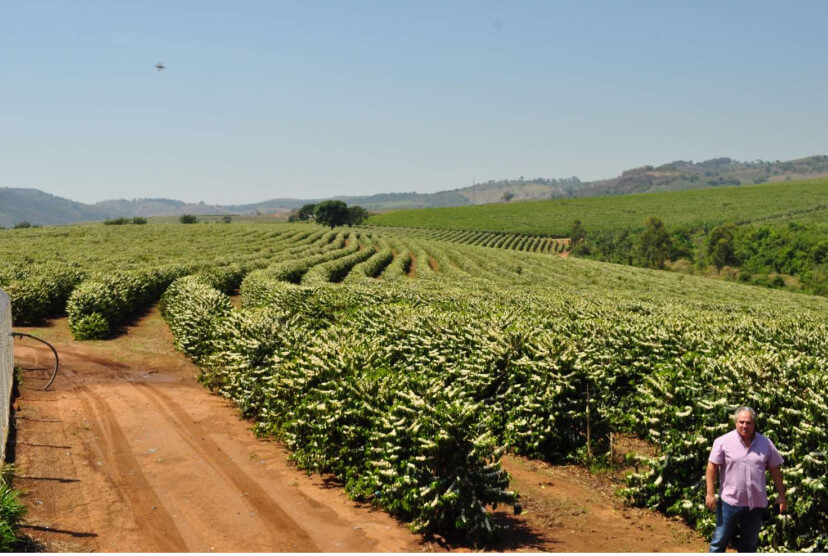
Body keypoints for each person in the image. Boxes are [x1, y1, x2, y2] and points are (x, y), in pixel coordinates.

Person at [705, 406, 786, 552]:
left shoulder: (766, 444)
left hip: (755, 505)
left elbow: (775, 470)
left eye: (748, 423)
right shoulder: (723, 441)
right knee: (718, 543)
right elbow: (712, 467)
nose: (744, 426)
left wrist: (781, 495)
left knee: (749, 547)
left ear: (754, 424)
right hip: (729, 503)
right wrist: (710, 494)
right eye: (741, 422)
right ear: (735, 423)